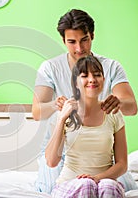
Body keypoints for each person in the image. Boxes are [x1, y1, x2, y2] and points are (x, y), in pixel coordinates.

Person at [32, 9, 138, 193]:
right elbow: (36, 112)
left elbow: (132, 107)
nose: (79, 48)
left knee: (124, 188)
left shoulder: (111, 66)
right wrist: (57, 106)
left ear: (92, 36)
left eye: (84, 40)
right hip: (62, 150)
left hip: (102, 155)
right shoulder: (50, 68)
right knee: (51, 188)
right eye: (72, 42)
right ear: (63, 40)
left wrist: (118, 103)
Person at [45, 55, 127, 197]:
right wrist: (62, 119)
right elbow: (52, 161)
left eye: (97, 75)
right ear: (76, 83)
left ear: (104, 80)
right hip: (70, 183)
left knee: (109, 186)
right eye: (84, 76)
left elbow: (122, 164)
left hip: (103, 183)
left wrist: (97, 178)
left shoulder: (113, 114)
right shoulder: (66, 113)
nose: (92, 80)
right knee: (86, 185)